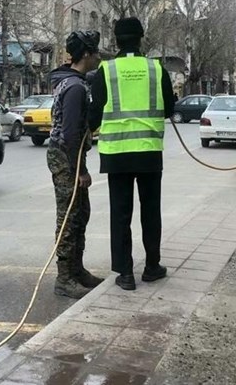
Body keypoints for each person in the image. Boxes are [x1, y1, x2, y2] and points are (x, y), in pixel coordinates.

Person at [89, 17, 175, 291]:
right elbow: (170, 108)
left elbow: (95, 112)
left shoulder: (106, 70)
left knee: (120, 213)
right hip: (149, 152)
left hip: (116, 154)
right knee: (151, 211)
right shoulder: (156, 69)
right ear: (141, 38)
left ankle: (125, 273)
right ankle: (152, 266)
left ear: (116, 40)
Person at [47, 31, 103, 299]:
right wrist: (80, 170)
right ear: (87, 55)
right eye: (96, 53)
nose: (98, 58)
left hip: (68, 155)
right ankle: (64, 278)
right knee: (69, 217)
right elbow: (69, 133)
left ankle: (76, 270)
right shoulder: (75, 87)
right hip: (66, 157)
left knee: (81, 213)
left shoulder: (73, 82)